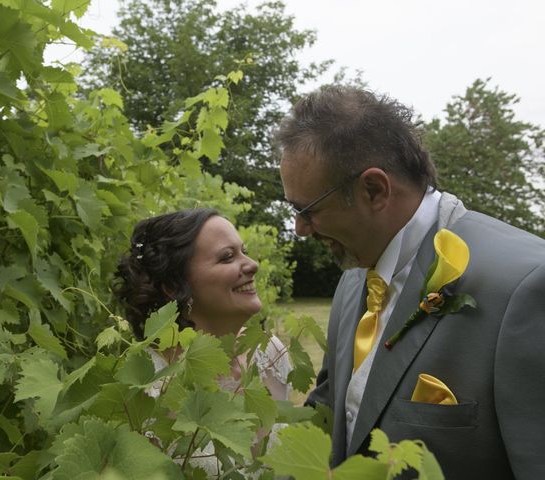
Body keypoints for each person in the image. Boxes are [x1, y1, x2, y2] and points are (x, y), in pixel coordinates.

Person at [276, 86, 545, 479]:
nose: (300, 229)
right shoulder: (353, 283)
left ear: (374, 189)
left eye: (308, 210)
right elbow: (334, 414)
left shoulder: (525, 287)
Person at [115, 207, 291, 399]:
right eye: (227, 257)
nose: (253, 265)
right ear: (173, 287)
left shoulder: (270, 353)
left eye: (244, 251)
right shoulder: (148, 389)